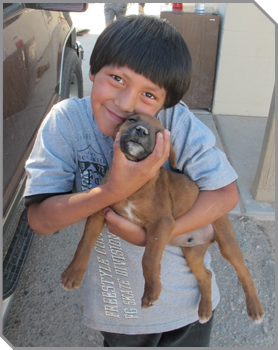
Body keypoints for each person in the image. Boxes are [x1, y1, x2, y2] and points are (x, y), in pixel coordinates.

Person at [24, 15, 239, 347]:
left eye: (149, 95)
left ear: (166, 103)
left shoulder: (174, 123)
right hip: (119, 310)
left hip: (183, 303)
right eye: (116, 78)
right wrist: (114, 190)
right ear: (92, 70)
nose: (126, 104)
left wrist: (151, 236)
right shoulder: (66, 123)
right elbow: (40, 219)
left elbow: (225, 194)